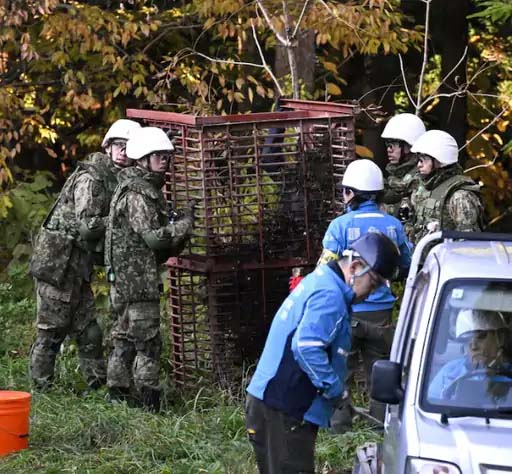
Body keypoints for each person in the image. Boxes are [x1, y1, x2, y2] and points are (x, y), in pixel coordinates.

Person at [245, 232, 400, 474]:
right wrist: (336, 390)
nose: (371, 293)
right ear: (355, 267)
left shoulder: (323, 280)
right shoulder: (330, 295)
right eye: (373, 284)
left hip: (273, 404)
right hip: (283, 408)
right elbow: (306, 347)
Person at [28, 119, 141, 389]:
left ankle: (97, 385)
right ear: (108, 147)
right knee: (51, 330)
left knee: (89, 331)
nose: (123, 151)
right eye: (118, 145)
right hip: (59, 263)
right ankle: (41, 389)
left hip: (78, 265)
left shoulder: (118, 178)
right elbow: (88, 227)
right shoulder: (92, 178)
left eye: (129, 147)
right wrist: (123, 220)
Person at [105, 126, 195, 411]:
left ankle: (118, 397)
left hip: (126, 279)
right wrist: (184, 225)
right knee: (148, 343)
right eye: (158, 156)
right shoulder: (139, 193)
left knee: (125, 338)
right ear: (142, 159)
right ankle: (150, 405)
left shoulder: (134, 186)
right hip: (137, 282)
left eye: (167, 156)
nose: (164, 161)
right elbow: (154, 239)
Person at [317, 159, 412, 426]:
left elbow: (325, 269)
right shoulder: (394, 225)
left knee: (340, 370)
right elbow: (407, 263)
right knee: (380, 373)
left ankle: (340, 429)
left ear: (351, 193)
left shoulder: (339, 226)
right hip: (381, 313)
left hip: (346, 311)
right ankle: (379, 427)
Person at [410, 130, 483, 244]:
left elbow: (468, 244)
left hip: (446, 255)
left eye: (423, 159)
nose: (419, 164)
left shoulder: (460, 197)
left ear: (440, 160)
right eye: (419, 159)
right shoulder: (422, 188)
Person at [429, 309, 512, 400]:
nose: (473, 347)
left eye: (480, 337)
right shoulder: (449, 372)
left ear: (500, 338)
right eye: (466, 340)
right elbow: (432, 401)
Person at [380, 113, 426, 226]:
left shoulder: (419, 176)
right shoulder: (398, 174)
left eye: (393, 145)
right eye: (387, 144)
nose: (389, 150)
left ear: (408, 146)